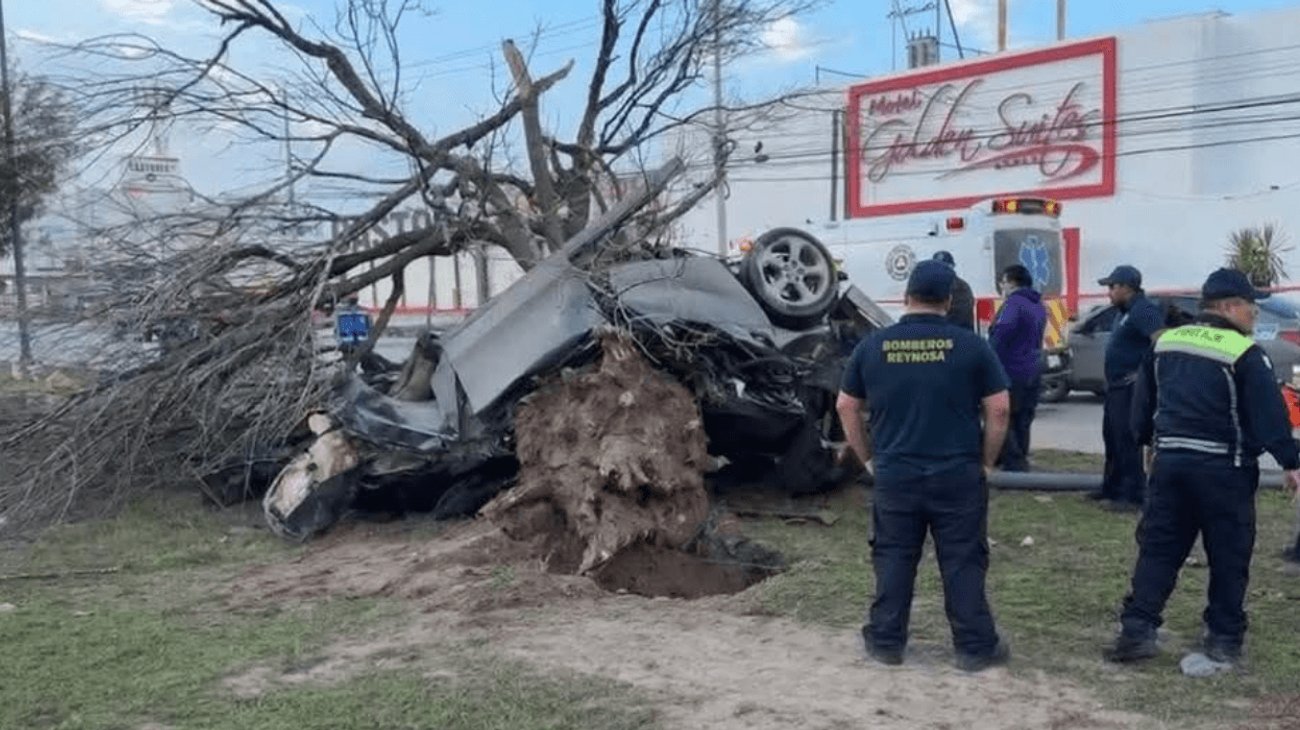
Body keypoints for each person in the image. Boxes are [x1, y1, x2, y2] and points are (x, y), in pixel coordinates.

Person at [1104, 269, 1300, 666]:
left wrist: (1147, 443)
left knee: (1159, 550)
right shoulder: (1243, 353)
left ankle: (1137, 632)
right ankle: (1224, 638)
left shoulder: (1166, 343)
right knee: (1229, 555)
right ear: (1229, 307)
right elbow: (1269, 415)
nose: (1254, 316)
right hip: (1224, 470)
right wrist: (1291, 461)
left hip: (1170, 465)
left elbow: (1142, 408)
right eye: (1251, 308)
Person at [837, 259, 1012, 672]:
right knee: (962, 559)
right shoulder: (971, 346)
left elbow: (847, 406)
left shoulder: (873, 346)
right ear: (949, 302)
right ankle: (974, 647)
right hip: (957, 473)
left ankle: (885, 642)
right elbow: (1000, 409)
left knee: (894, 555)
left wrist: (867, 459)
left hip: (895, 474)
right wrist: (986, 462)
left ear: (906, 297)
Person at [1094, 265, 1163, 511]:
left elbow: (1161, 341)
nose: (1109, 292)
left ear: (1126, 287)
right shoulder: (1123, 311)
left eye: (1112, 287)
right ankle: (1110, 487)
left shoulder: (1143, 310)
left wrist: (1143, 373)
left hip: (1131, 387)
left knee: (1127, 440)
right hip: (1115, 386)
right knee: (1112, 438)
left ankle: (1132, 495)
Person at [989, 264, 1047, 472]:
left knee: (1006, 417)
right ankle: (1020, 456)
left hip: (1011, 369)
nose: (1001, 287)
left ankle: (1014, 463)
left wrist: (988, 358)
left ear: (1011, 282)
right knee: (1024, 418)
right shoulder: (1037, 304)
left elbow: (1002, 333)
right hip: (1033, 367)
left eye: (1003, 282)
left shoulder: (1014, 304)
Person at [933, 251, 975, 330]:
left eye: (945, 266)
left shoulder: (961, 287)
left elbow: (960, 315)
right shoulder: (933, 286)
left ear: (952, 266)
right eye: (937, 267)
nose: (941, 270)